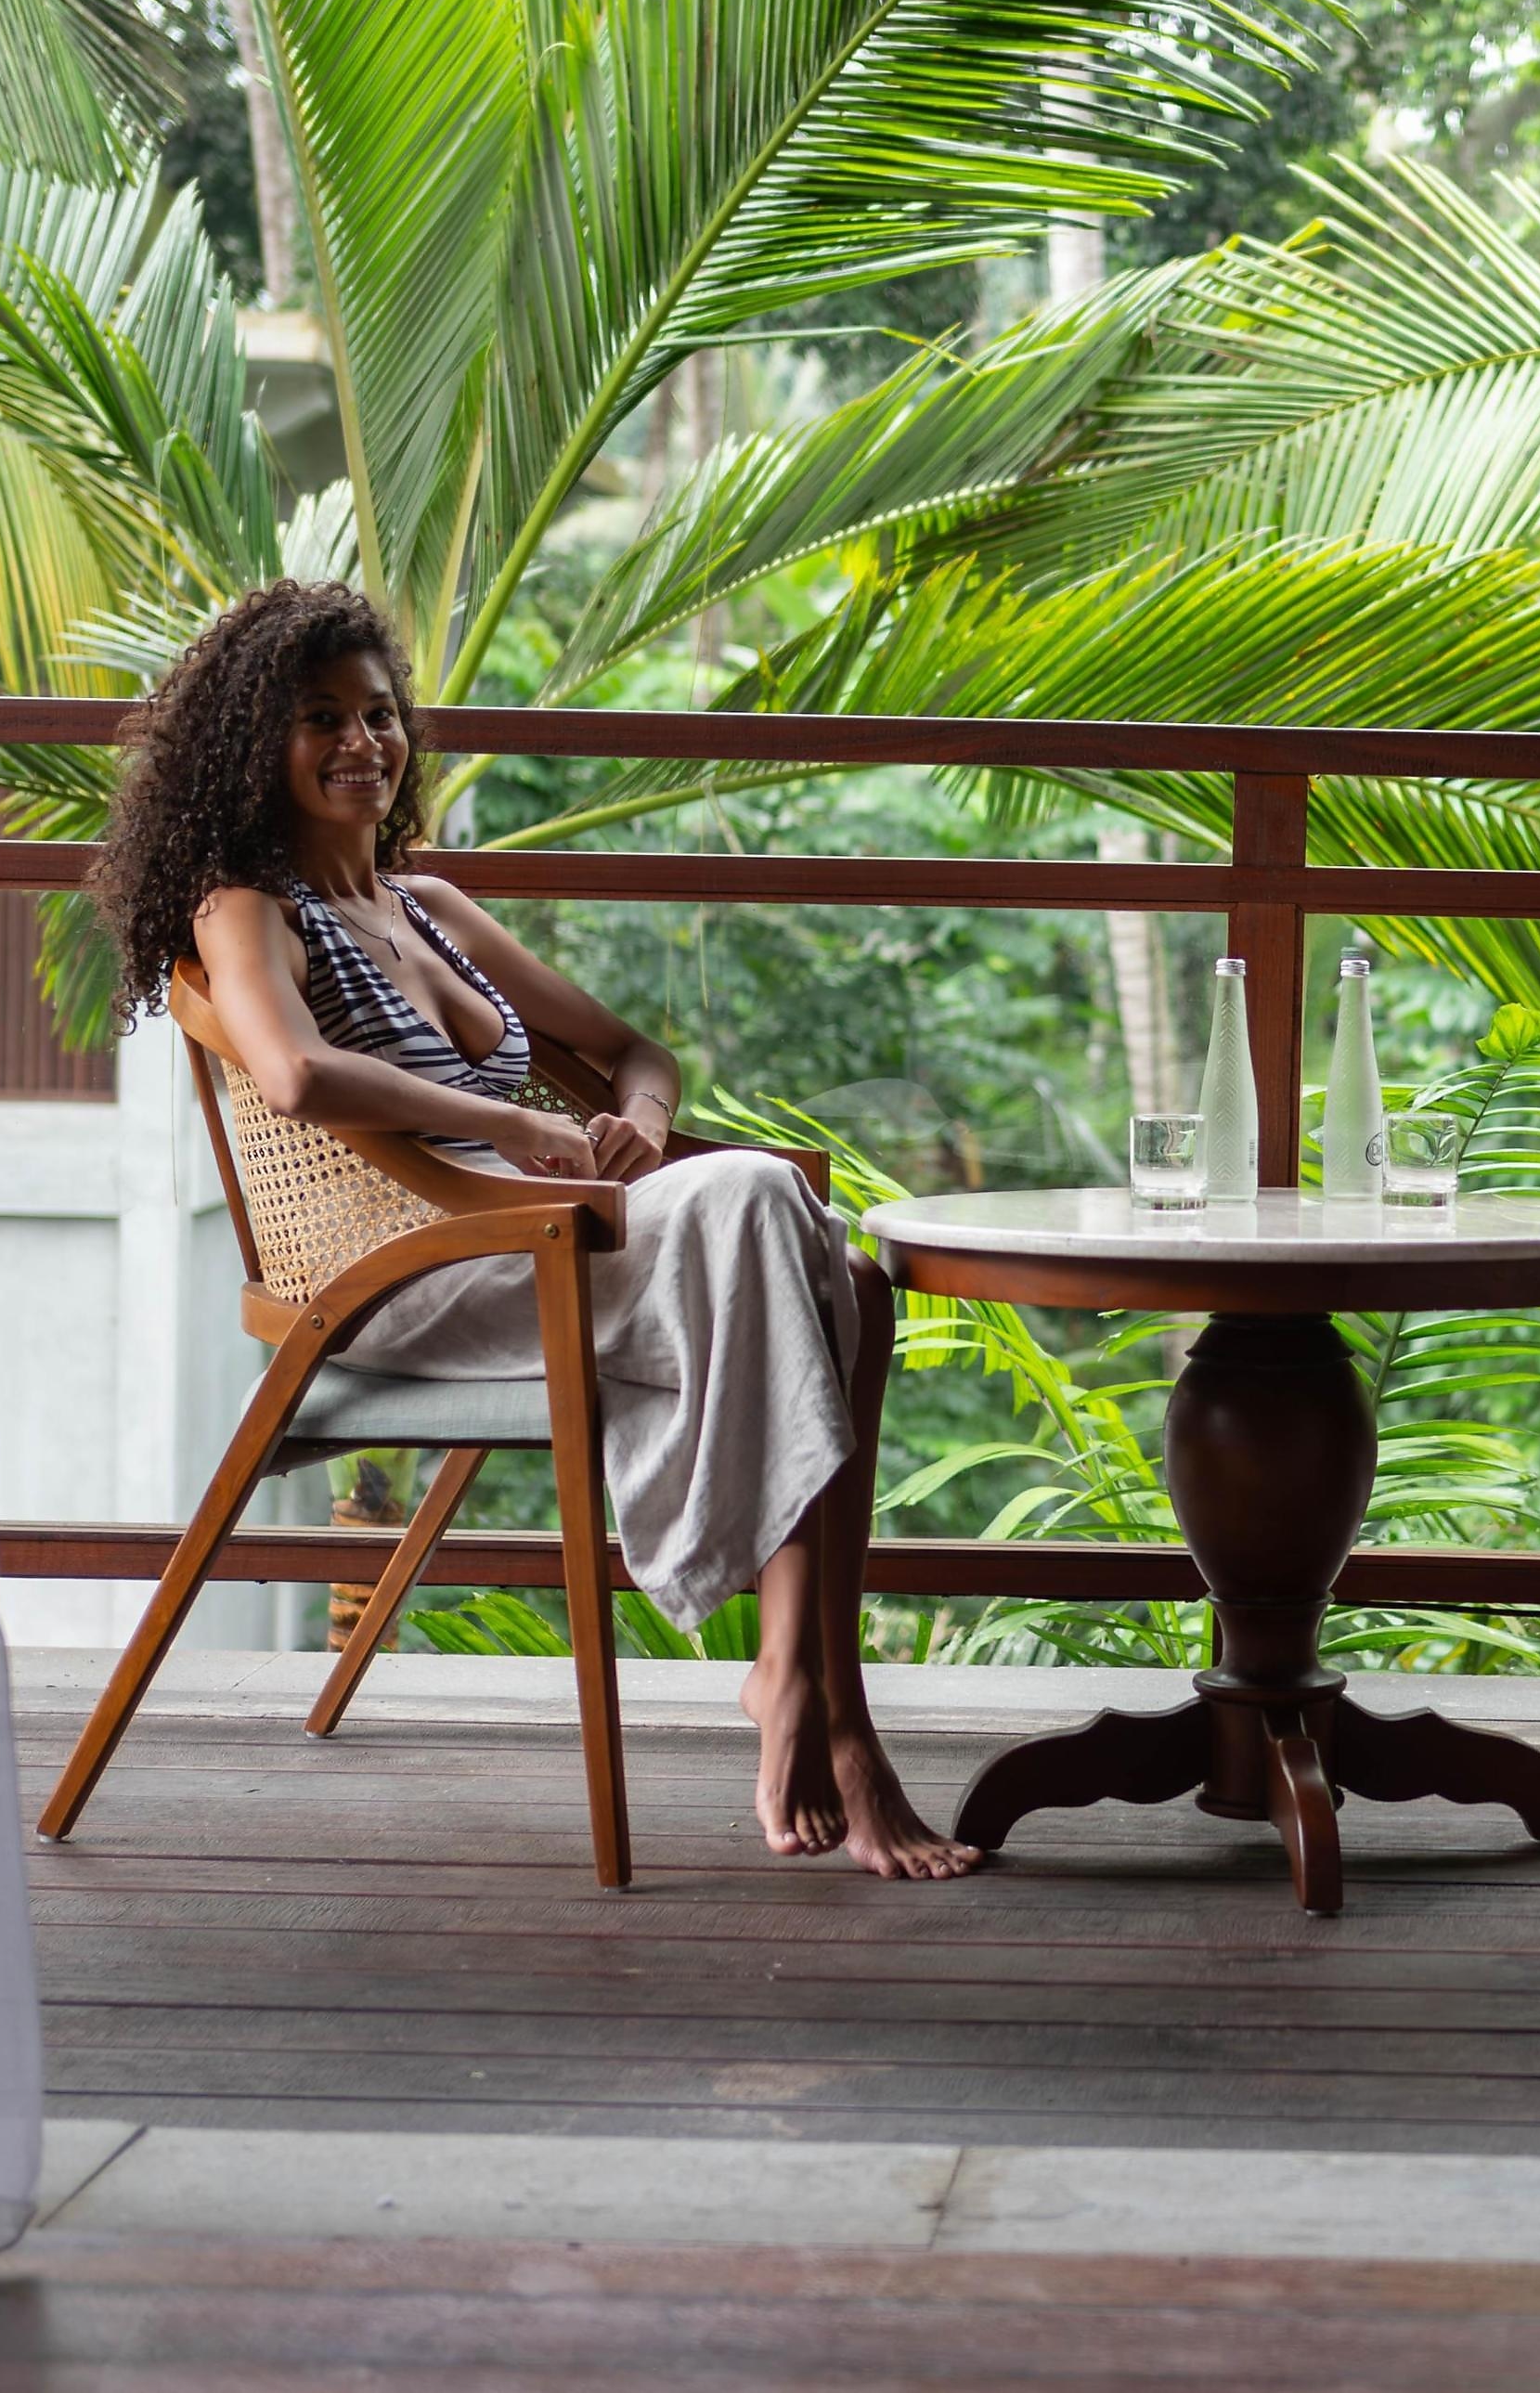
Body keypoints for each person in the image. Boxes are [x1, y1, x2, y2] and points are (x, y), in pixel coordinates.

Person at [89, 580, 978, 1882]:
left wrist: (637, 1123)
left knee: (851, 1276)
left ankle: (800, 1674)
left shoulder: (433, 907)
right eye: (320, 718)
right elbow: (292, 1073)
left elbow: (635, 1052)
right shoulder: (245, 906)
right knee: (763, 1210)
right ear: (253, 746)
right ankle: (823, 1705)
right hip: (398, 1268)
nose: (362, 743)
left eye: (379, 714)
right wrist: (506, 1125)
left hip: (528, 1234)